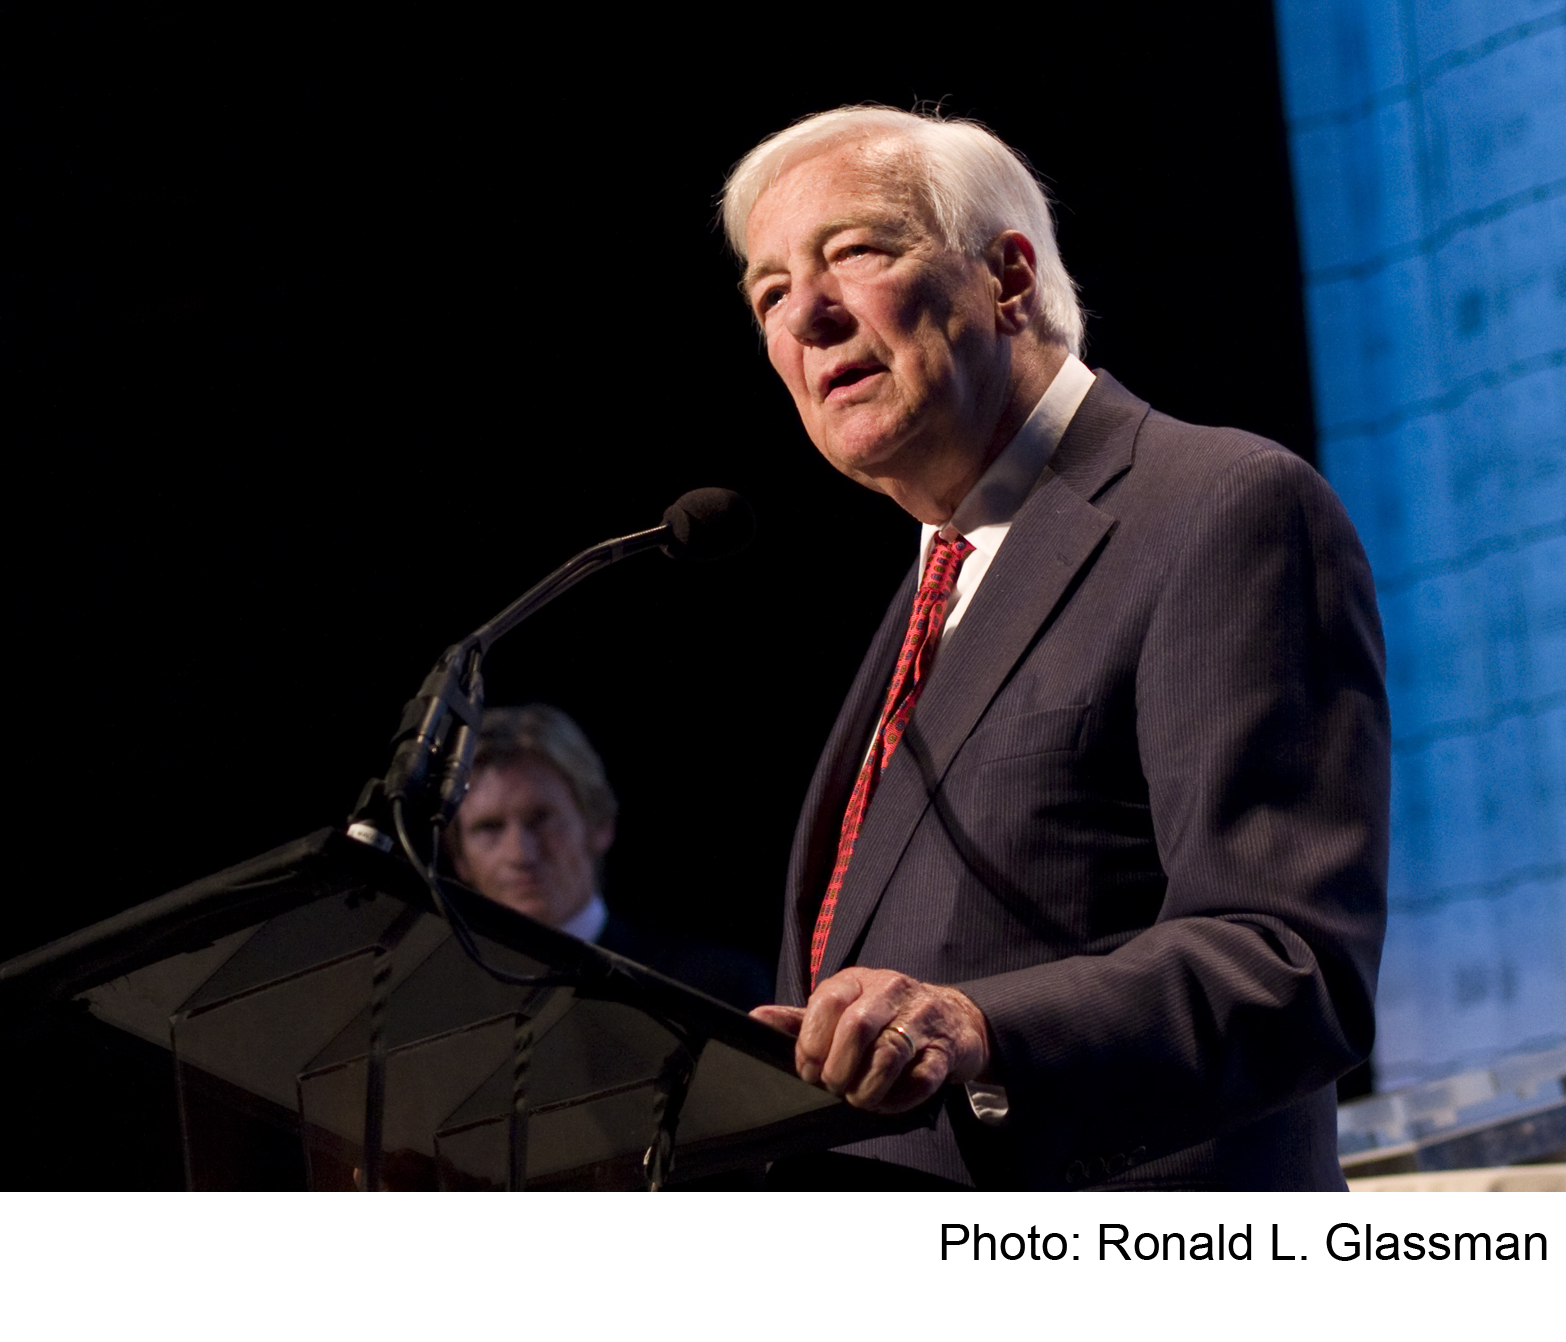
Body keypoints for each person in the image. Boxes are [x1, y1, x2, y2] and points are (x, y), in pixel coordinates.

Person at [728, 105, 1389, 1189]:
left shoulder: (1220, 507)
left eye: (854, 252)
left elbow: (1289, 964)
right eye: (768, 293)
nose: (805, 313)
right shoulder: (939, 584)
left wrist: (978, 1026)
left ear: (1008, 278)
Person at [448, 704, 771, 1012]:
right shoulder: (437, 1002)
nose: (520, 854)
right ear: (459, 859)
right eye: (489, 828)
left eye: (541, 819)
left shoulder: (712, 988)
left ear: (599, 825)